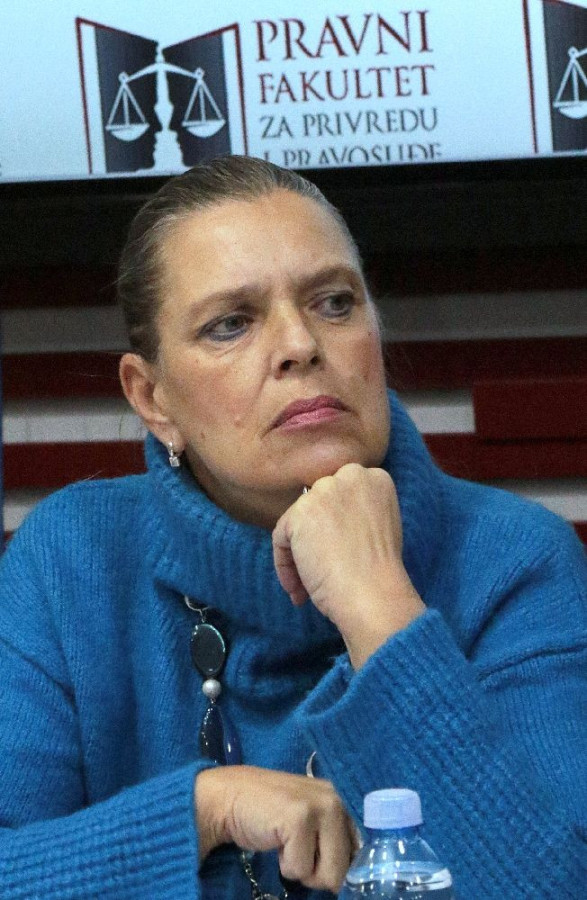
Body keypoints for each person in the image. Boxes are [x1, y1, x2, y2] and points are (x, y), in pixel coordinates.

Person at [0, 156, 585, 900]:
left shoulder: (515, 560)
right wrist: (206, 810)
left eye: (334, 303)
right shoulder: (69, 560)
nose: (300, 344)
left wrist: (379, 608)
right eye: (231, 324)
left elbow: (553, 885)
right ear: (151, 398)